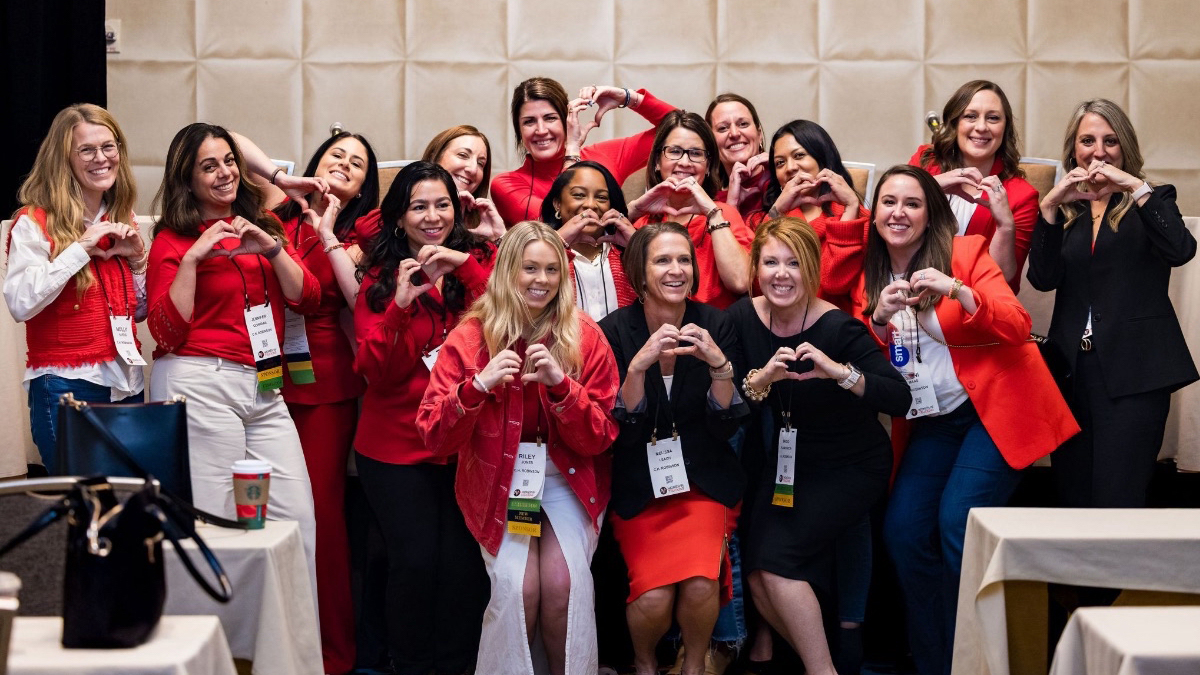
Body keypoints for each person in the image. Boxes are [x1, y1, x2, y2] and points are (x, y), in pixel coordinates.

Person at [856, 165, 1078, 675]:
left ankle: (979, 660)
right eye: (889, 202)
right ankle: (938, 662)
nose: (899, 213)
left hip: (997, 409)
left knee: (959, 522)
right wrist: (879, 319)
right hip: (936, 421)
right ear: (875, 214)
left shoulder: (965, 252)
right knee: (903, 532)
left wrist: (957, 289)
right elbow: (874, 361)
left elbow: (1018, 323)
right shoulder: (870, 277)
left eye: (913, 203)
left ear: (930, 213)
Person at [417, 221, 619, 675]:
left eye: (551, 270)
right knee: (518, 589)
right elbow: (434, 435)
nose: (541, 280)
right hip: (501, 482)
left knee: (565, 586)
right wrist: (476, 387)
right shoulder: (471, 337)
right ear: (508, 270)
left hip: (569, 479)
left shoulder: (584, 335)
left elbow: (601, 436)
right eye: (529, 268)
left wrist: (563, 388)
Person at [730, 217, 910, 675]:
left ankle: (821, 669)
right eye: (771, 262)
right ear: (756, 268)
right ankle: (823, 662)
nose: (781, 274)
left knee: (774, 566)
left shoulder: (838, 328)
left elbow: (898, 398)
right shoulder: (743, 318)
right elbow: (730, 401)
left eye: (793, 263)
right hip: (790, 467)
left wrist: (838, 372)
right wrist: (763, 379)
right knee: (756, 574)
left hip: (851, 467)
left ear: (811, 269)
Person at [145, 122, 320, 586]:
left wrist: (273, 249)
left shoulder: (263, 225)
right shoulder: (172, 240)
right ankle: (222, 632)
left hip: (264, 386)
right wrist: (191, 261)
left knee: (297, 521)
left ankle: (287, 635)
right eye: (209, 166)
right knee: (217, 526)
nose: (224, 173)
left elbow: (309, 298)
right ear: (187, 180)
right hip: (200, 381)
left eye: (228, 162)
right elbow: (165, 332)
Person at [231, 127, 378, 674]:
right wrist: (281, 177)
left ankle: (331, 654)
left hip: (323, 385)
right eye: (336, 154)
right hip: (258, 377)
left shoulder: (364, 231)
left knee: (318, 516)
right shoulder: (276, 208)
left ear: (365, 184)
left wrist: (331, 230)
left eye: (357, 163)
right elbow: (226, 139)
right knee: (255, 512)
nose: (344, 164)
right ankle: (264, 646)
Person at [354, 162, 494, 675]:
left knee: (463, 568)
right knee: (414, 563)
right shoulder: (379, 279)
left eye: (442, 205)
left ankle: (457, 666)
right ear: (399, 218)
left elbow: (512, 324)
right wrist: (400, 307)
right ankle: (409, 665)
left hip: (464, 442)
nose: (433, 216)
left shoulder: (475, 267)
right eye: (419, 206)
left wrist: (466, 267)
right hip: (395, 446)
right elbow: (376, 373)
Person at [1027, 99, 1197, 508]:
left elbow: (1181, 250)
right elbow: (1043, 279)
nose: (1098, 151)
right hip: (1072, 372)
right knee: (1073, 496)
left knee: (1117, 497)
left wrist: (1135, 187)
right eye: (1088, 140)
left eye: (1110, 140)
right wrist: (1049, 207)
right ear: (1074, 149)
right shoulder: (1068, 209)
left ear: (1125, 147)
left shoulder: (1153, 199)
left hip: (1134, 372)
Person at [599, 222, 748, 675]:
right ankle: (645, 664)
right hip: (640, 487)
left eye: (684, 259)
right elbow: (619, 430)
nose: (676, 269)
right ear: (640, 273)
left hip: (704, 481)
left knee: (701, 584)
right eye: (662, 260)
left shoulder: (716, 323)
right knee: (654, 599)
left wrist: (720, 366)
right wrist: (637, 369)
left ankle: (695, 666)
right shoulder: (613, 330)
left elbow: (724, 424)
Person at [4, 103, 146, 476]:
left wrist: (137, 260)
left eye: (108, 146)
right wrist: (80, 248)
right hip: (66, 387)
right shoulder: (33, 222)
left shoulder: (123, 218)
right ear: (63, 159)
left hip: (126, 382)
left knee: (126, 502)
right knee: (83, 503)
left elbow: (140, 310)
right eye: (87, 150)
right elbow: (20, 303)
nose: (101, 158)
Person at [490, 77, 675, 225]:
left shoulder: (603, 156)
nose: (541, 130)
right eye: (529, 121)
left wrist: (628, 98)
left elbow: (680, 130)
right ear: (519, 131)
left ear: (567, 120)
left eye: (550, 118)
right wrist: (572, 150)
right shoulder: (506, 184)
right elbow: (559, 222)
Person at [909, 80, 1038, 291]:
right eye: (970, 116)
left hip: (969, 302)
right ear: (955, 123)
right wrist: (932, 186)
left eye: (993, 118)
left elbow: (1003, 284)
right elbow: (886, 220)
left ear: (1005, 128)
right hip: (909, 289)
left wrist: (1005, 226)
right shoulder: (925, 162)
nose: (981, 127)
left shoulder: (1021, 195)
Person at [630, 111, 753, 310]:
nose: (685, 162)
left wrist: (713, 214)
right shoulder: (642, 221)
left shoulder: (724, 214)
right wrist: (634, 210)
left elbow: (740, 282)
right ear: (657, 162)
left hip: (716, 325)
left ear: (708, 166)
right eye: (675, 151)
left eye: (696, 154)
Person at [751, 119, 869, 313]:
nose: (790, 167)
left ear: (822, 158)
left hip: (834, 325)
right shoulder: (763, 220)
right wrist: (777, 210)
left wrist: (851, 208)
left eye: (799, 155)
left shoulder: (859, 219)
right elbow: (756, 284)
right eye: (780, 163)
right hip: (777, 323)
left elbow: (834, 283)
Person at [540, 160, 638, 320]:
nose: (591, 205)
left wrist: (637, 244)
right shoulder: (537, 248)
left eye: (601, 197)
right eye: (579, 195)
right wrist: (557, 242)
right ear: (557, 204)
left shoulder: (629, 251)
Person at [422, 125, 506, 241]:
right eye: (463, 155)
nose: (473, 169)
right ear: (434, 156)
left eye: (480, 163)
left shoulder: (482, 224)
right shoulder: (405, 209)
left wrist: (499, 237)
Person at [706, 93, 769, 218]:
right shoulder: (709, 205)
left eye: (743, 124)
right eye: (723, 128)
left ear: (759, 134)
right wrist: (731, 206)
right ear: (711, 142)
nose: (734, 134)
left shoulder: (786, 181)